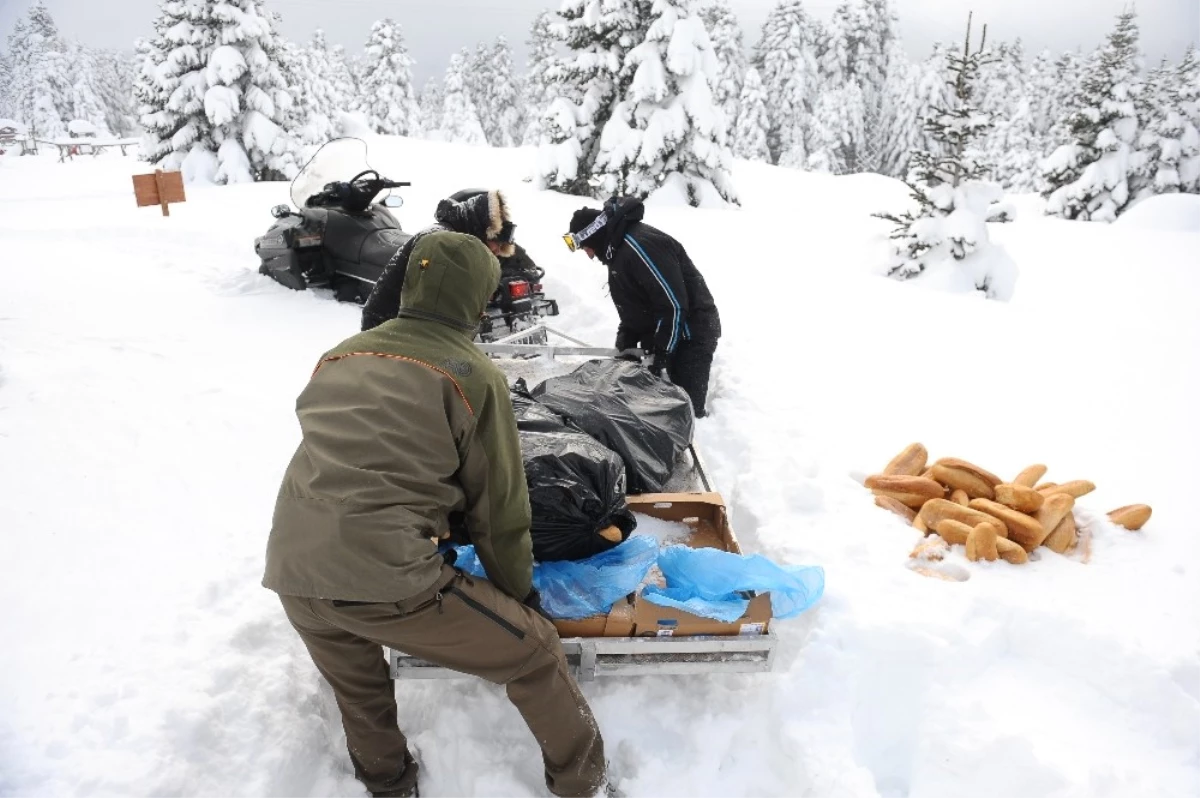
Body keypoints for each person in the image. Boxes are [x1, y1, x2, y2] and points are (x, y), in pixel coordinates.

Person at [263, 231, 612, 798]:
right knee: (535, 654)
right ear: (479, 298)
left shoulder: (341, 354)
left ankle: (388, 785)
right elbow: (499, 510)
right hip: (385, 574)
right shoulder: (471, 373)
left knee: (361, 691)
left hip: (293, 569)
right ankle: (583, 785)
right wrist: (517, 598)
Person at [564, 196, 721, 418]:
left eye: (585, 247)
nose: (588, 255)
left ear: (594, 235)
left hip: (690, 334)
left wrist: (662, 353)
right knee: (663, 409)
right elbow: (635, 306)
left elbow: (673, 305)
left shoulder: (639, 246)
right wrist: (625, 341)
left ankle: (699, 441)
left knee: (686, 413)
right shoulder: (617, 251)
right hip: (670, 332)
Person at [361, 188, 519, 332]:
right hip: (387, 330)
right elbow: (434, 304)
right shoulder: (441, 244)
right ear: (481, 229)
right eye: (496, 243)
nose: (497, 250)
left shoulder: (456, 243)